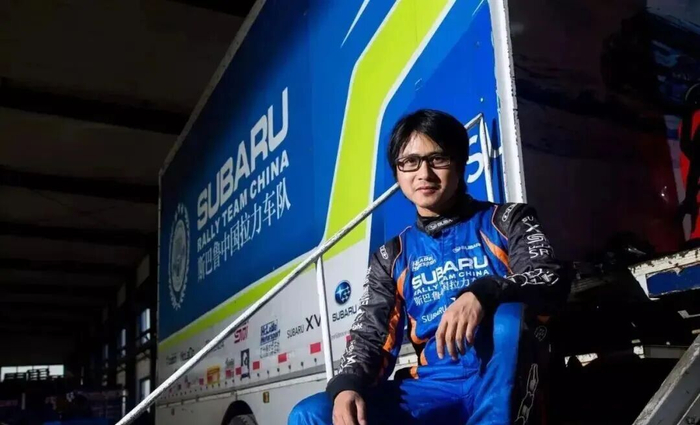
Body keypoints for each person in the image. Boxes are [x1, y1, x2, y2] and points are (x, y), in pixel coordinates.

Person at [288, 109, 569, 425]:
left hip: (500, 377)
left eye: (438, 159)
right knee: (312, 413)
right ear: (398, 173)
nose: (424, 173)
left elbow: (551, 280)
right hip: (433, 388)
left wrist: (485, 292)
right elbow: (371, 337)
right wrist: (347, 386)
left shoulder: (508, 220)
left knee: (508, 317)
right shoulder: (392, 255)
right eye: (410, 162)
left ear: (461, 163)